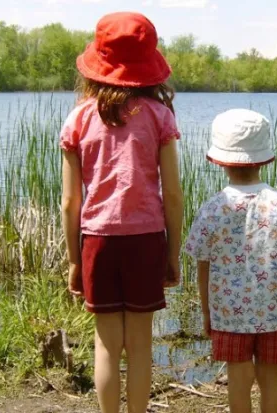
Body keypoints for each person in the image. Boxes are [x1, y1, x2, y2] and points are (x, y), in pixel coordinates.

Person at [60, 12, 183, 413]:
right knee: (142, 345)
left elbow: (69, 203)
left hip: (98, 240)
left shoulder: (78, 118)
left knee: (107, 345)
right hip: (146, 240)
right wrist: (172, 253)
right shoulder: (159, 117)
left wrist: (75, 260)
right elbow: (174, 196)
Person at [184, 109, 277, 413]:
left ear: (219, 160)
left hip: (229, 314)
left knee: (238, 378)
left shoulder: (212, 209)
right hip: (275, 311)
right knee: (271, 377)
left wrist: (207, 313)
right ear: (265, 158)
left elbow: (202, 266)